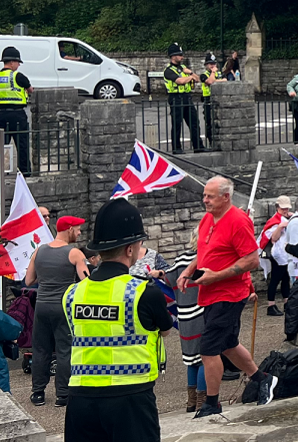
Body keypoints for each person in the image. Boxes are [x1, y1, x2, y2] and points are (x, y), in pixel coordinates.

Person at [63, 199, 174, 442]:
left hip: (80, 399)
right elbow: (165, 331)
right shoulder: (144, 292)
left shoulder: (72, 293)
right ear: (130, 248)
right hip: (130, 398)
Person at [178, 176, 278, 418]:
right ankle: (263, 379)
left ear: (226, 197)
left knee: (209, 347)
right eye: (204, 195)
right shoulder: (207, 219)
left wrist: (216, 276)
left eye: (210, 196)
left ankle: (212, 402)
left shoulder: (238, 221)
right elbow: (205, 252)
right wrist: (188, 271)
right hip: (211, 293)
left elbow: (252, 260)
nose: (205, 200)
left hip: (229, 293)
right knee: (227, 343)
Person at [25, 215, 88, 407]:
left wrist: (46, 279)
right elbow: (86, 282)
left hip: (42, 306)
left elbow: (28, 281)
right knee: (64, 350)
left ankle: (38, 393)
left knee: (41, 349)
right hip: (63, 308)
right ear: (69, 229)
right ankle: (63, 394)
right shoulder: (75, 253)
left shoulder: (39, 251)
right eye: (77, 229)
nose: (79, 233)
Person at [166, 231, 207, 412]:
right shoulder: (204, 259)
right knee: (205, 357)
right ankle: (201, 400)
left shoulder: (180, 259)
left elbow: (167, 279)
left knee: (191, 360)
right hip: (201, 313)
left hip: (184, 315)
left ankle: (191, 402)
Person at [164, 43, 205, 155]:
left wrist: (191, 73)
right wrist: (189, 77)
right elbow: (179, 81)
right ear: (173, 56)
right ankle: (176, 148)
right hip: (176, 98)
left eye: (181, 54)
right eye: (179, 55)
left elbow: (197, 79)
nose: (182, 57)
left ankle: (198, 146)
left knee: (194, 122)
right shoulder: (168, 70)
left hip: (187, 97)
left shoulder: (183, 68)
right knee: (177, 124)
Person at [261, 196, 294, 317]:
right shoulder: (275, 221)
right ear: (277, 207)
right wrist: (280, 226)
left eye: (286, 208)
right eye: (282, 208)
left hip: (284, 253)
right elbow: (273, 238)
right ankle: (271, 305)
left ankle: (286, 302)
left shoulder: (285, 217)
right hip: (277, 254)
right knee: (275, 278)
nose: (285, 210)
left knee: (285, 278)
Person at [199, 52, 226, 144]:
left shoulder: (220, 73)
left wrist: (215, 80)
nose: (212, 65)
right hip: (208, 100)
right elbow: (210, 81)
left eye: (214, 63)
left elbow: (225, 81)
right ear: (206, 65)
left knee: (221, 121)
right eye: (210, 64)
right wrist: (214, 74)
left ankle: (220, 141)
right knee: (209, 122)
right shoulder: (204, 75)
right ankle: (211, 142)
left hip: (219, 100)